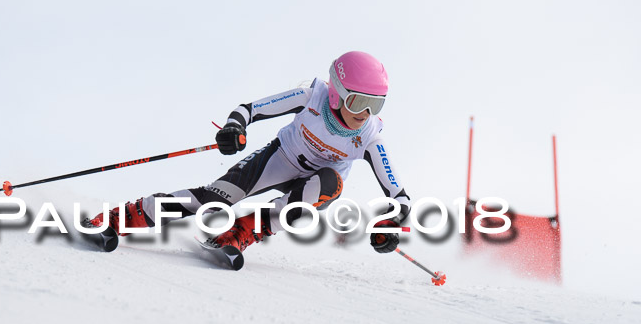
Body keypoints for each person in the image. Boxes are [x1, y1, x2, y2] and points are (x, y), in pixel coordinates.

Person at [87, 51, 410, 254]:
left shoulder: (369, 137)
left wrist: (392, 222)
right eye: (358, 102)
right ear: (337, 94)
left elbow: (401, 197)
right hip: (280, 158)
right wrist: (233, 129)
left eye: (375, 105)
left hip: (318, 181)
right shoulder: (311, 97)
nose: (365, 113)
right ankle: (117, 219)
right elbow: (249, 110)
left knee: (321, 190)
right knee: (214, 199)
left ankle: (240, 232)